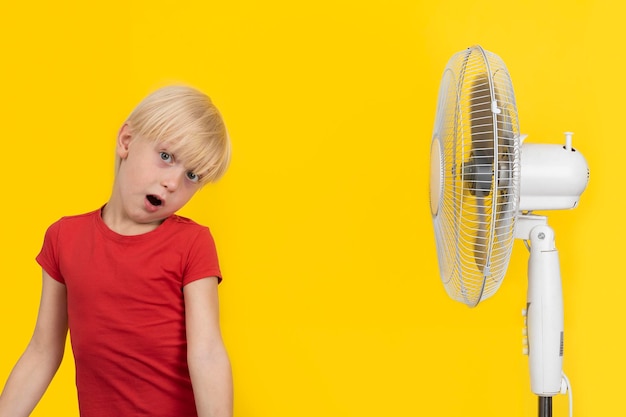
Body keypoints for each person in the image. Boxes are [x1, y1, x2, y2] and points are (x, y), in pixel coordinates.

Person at [0, 85, 233, 417]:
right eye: (166, 157)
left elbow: (207, 352)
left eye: (192, 176)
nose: (172, 183)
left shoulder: (192, 243)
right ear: (126, 142)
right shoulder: (64, 238)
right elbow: (42, 351)